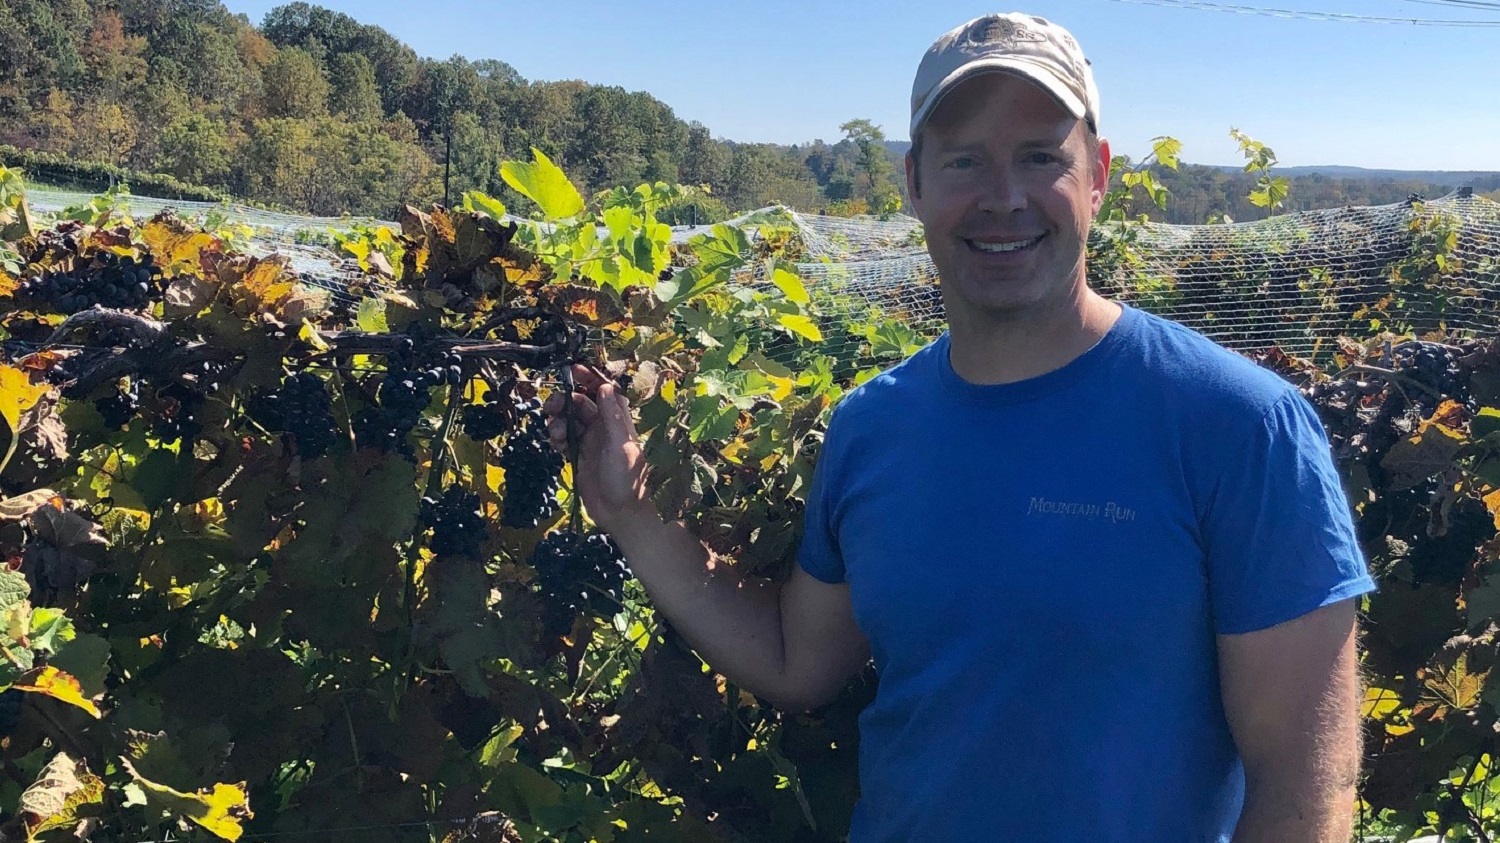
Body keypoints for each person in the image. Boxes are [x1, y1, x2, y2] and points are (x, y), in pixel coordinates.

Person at [544, 11, 1376, 842]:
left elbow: (1307, 792)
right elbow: (798, 658)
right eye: (965, 160)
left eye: (1041, 156)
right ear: (915, 183)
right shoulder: (871, 428)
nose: (1004, 197)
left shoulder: (1240, 427)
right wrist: (630, 513)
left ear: (1098, 176)